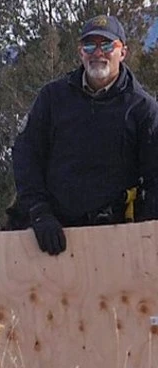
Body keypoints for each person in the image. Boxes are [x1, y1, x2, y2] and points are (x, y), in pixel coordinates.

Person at [14, 14, 158, 253]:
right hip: (54, 236)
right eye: (89, 45)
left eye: (107, 45)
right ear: (80, 52)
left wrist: (143, 234)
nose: (97, 53)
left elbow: (155, 177)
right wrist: (39, 213)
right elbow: (26, 156)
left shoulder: (142, 108)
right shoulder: (52, 98)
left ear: (123, 52)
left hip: (119, 239)